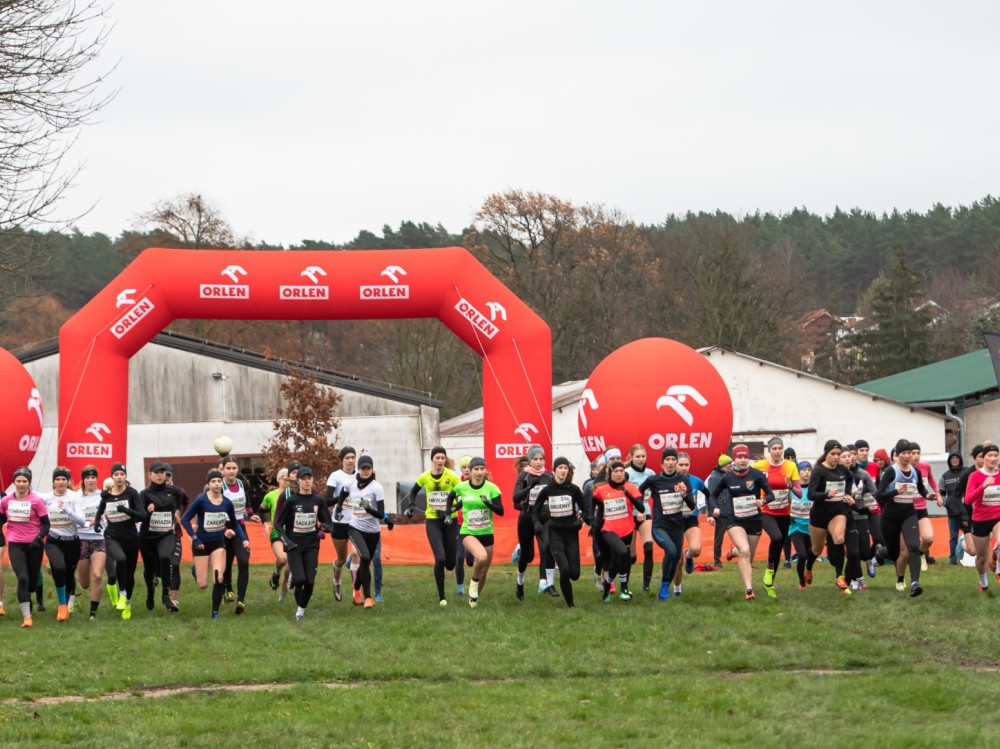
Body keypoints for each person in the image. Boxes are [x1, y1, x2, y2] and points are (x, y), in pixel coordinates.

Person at [180, 469, 249, 619]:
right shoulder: (201, 500)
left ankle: (215, 612)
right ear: (209, 484)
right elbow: (185, 520)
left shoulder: (227, 503)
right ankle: (196, 571)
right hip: (201, 544)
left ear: (222, 484)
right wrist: (195, 538)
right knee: (202, 584)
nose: (216, 484)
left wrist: (243, 538)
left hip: (218, 543)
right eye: (213, 481)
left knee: (218, 577)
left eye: (219, 481)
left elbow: (235, 523)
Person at [709, 445, 774, 600]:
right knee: (745, 551)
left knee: (747, 555)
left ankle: (734, 552)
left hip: (754, 520)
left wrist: (763, 501)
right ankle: (749, 590)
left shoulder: (757, 475)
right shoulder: (728, 477)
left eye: (745, 457)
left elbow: (771, 495)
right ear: (734, 460)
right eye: (739, 457)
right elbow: (713, 495)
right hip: (735, 520)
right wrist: (714, 509)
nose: (743, 460)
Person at [875, 439, 935, 597]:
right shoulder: (891, 472)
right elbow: (878, 495)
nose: (908, 456)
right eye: (904, 453)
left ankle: (915, 583)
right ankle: (883, 556)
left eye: (910, 453)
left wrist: (929, 496)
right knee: (895, 553)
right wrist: (896, 492)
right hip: (890, 517)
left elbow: (921, 490)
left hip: (909, 514)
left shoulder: (916, 472)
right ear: (897, 455)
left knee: (913, 547)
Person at [404, 446, 463, 606]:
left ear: (445, 460)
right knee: (440, 558)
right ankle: (442, 597)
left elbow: (461, 497)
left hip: (449, 522)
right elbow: (413, 492)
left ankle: (449, 568)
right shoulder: (425, 476)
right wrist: (411, 506)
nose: (440, 461)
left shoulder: (452, 476)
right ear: (432, 459)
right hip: (433, 522)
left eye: (443, 458)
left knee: (450, 564)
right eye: (437, 458)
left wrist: (452, 509)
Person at [275, 466, 333, 620]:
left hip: (312, 544)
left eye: (309, 478)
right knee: (300, 579)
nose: (307, 481)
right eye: (304, 479)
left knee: (310, 581)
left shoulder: (318, 500)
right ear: (299, 481)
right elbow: (278, 524)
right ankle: (293, 579)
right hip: (294, 545)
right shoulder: (291, 501)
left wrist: (324, 528)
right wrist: (286, 541)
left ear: (312, 480)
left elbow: (328, 522)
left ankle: (300, 610)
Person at [445, 457, 504, 608]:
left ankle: (473, 598)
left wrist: (488, 503)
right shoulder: (462, 487)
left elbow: (501, 511)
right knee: (481, 557)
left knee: (484, 571)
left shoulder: (492, 488)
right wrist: (448, 513)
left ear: (485, 470)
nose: (479, 472)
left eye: (481, 469)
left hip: (486, 533)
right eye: (475, 469)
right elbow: (450, 497)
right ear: (470, 472)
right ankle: (474, 581)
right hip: (468, 531)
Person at [639, 448, 694, 601]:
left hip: (677, 526)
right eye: (667, 460)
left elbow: (691, 505)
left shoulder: (683, 480)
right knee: (670, 551)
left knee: (676, 557)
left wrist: (684, 496)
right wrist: (640, 509)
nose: (670, 463)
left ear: (676, 462)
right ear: (662, 463)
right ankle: (664, 585)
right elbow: (638, 492)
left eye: (673, 460)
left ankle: (665, 588)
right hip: (659, 526)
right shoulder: (654, 480)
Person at [93, 462, 146, 620]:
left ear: (125, 477)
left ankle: (127, 604)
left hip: (130, 537)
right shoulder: (107, 494)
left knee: (129, 574)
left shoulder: (132, 493)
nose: (119, 477)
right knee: (120, 559)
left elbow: (142, 516)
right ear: (112, 477)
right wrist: (97, 523)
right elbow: (101, 509)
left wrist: (128, 511)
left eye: (122, 474)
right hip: (112, 536)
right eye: (116, 474)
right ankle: (122, 594)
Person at [533, 457, 588, 607]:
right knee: (564, 569)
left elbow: (585, 509)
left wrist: (581, 520)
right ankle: (570, 605)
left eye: (565, 468)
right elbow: (535, 510)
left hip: (571, 532)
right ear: (554, 470)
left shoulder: (574, 489)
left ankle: (568, 583)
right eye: (560, 467)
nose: (563, 470)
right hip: (554, 532)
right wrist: (537, 523)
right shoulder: (548, 490)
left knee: (574, 574)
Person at [752, 437, 802, 599]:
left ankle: (769, 581)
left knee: (779, 544)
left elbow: (800, 493)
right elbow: (746, 477)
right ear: (769, 450)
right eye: (774, 448)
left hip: (784, 512)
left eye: (780, 448)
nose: (777, 451)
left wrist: (791, 487)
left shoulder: (790, 466)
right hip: (766, 510)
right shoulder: (759, 466)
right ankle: (769, 571)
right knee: (777, 537)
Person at [0, 468, 50, 627]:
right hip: (15, 544)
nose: (21, 484)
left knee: (32, 583)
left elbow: (46, 525)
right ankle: (27, 617)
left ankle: (30, 597)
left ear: (29, 483)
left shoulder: (36, 501)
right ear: (14, 482)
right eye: (19, 481)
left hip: (34, 545)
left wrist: (39, 538)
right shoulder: (6, 501)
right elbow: (1, 519)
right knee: (22, 578)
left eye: (24, 481)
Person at [591, 459, 645, 602]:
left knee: (618, 561)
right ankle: (624, 588)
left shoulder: (631, 487)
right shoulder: (602, 490)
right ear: (610, 473)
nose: (619, 474)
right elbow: (593, 501)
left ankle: (607, 584)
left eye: (622, 471)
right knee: (621, 552)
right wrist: (592, 520)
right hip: (608, 530)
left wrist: (627, 493)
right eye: (616, 471)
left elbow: (641, 508)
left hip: (627, 530)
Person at [806, 440, 855, 594]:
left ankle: (840, 577)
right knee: (817, 549)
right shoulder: (819, 471)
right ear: (826, 454)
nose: (836, 457)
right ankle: (808, 567)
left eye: (838, 454)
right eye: (833, 454)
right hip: (820, 515)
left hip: (837, 511)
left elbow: (849, 479)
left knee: (839, 538)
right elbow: (811, 494)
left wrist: (847, 494)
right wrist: (827, 494)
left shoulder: (843, 470)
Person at [343, 455, 390, 608]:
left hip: (373, 531)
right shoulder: (351, 484)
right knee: (365, 556)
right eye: (362, 468)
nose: (365, 471)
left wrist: (370, 509)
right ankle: (368, 597)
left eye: (368, 468)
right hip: (355, 527)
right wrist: (337, 509)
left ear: (372, 470)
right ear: (359, 469)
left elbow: (381, 513)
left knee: (365, 562)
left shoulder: (377, 487)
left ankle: (356, 588)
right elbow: (342, 496)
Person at [41, 466, 86, 621]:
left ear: (68, 481)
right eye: (57, 479)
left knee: (68, 575)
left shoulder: (74, 497)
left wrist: (68, 510)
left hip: (72, 542)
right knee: (59, 568)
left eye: (63, 479)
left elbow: (82, 522)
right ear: (53, 482)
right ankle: (62, 605)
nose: (60, 482)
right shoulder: (46, 498)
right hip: (53, 541)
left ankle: (65, 605)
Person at [512, 445, 557, 598]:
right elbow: (515, 498)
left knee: (548, 548)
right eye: (535, 459)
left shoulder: (549, 476)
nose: (539, 462)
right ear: (530, 460)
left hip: (544, 518)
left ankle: (547, 584)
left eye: (541, 459)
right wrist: (529, 487)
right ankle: (520, 582)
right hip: (527, 519)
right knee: (527, 556)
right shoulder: (524, 476)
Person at [138, 461, 182, 613]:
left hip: (166, 533)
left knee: (165, 557)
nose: (160, 475)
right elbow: (139, 516)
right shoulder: (144, 494)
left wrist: (176, 513)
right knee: (149, 569)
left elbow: (178, 505)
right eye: (156, 472)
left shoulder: (174, 491)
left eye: (162, 472)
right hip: (147, 536)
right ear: (150, 474)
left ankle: (165, 596)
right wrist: (147, 511)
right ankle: (150, 593)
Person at [221, 457, 260, 614]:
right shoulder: (220, 486)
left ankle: (241, 600)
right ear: (223, 469)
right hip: (223, 528)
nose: (231, 471)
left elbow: (247, 502)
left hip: (240, 527)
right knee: (227, 562)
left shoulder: (241, 483)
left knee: (244, 561)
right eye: (228, 468)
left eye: (234, 468)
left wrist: (251, 514)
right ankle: (228, 588)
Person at [963, 443, 1000, 591]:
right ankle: (983, 583)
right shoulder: (975, 476)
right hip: (980, 519)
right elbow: (968, 500)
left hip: (998, 516)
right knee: (981, 557)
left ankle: (998, 571)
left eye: (996, 455)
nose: (993, 458)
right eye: (990, 456)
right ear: (983, 458)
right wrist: (983, 486)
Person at [326, 446, 359, 602]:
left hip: (356, 521)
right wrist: (341, 497)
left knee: (355, 554)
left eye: (353, 457)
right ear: (342, 460)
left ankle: (356, 591)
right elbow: (327, 501)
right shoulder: (336, 476)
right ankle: (337, 580)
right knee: (341, 558)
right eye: (347, 457)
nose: (351, 460)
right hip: (339, 521)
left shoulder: (361, 475)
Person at [671, 452, 708, 596]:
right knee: (677, 560)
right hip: (673, 521)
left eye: (686, 465)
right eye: (681, 465)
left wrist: (713, 509)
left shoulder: (696, 481)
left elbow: (709, 494)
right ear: (675, 465)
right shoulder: (668, 481)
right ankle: (677, 589)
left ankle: (689, 555)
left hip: (690, 520)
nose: (684, 468)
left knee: (696, 549)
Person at [75, 465, 108, 620]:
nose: (90, 480)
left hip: (98, 539)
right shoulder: (76, 497)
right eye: (87, 478)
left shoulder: (103, 495)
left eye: (93, 477)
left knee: (98, 576)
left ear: (96, 479)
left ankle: (92, 614)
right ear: (83, 480)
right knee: (84, 584)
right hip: (81, 540)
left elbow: (107, 516)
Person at [625, 444, 656, 592]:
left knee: (649, 547)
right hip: (629, 515)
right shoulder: (625, 474)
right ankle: (625, 586)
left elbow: (657, 493)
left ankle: (646, 587)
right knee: (629, 556)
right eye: (637, 456)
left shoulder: (651, 473)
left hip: (646, 514)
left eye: (643, 456)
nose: (641, 459)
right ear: (631, 457)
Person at [259, 467, 292, 601]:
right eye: (285, 477)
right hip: (277, 532)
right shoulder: (270, 496)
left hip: (292, 533)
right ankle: (276, 572)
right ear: (279, 479)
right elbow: (261, 510)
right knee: (283, 559)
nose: (287, 479)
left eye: (289, 476)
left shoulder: (295, 494)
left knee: (290, 568)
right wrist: (266, 523)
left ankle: (282, 597)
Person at [911, 444, 942, 569]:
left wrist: (938, 494)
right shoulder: (900, 470)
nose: (916, 456)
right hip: (907, 509)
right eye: (913, 453)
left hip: (921, 507)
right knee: (911, 541)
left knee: (928, 538)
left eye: (918, 453)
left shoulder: (925, 466)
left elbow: (931, 479)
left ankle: (921, 553)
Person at [789, 461, 814, 589]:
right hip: (796, 527)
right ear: (798, 473)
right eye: (804, 470)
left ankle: (808, 570)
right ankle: (801, 582)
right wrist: (789, 515)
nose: (806, 472)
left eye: (809, 470)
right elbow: (785, 504)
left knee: (812, 552)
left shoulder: (814, 488)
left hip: (810, 528)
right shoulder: (793, 489)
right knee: (802, 555)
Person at [707, 455, 734, 568]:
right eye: (728, 464)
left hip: (732, 510)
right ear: (723, 465)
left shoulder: (731, 475)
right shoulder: (714, 478)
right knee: (719, 538)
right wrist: (711, 513)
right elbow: (710, 495)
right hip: (721, 512)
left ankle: (738, 555)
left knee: (740, 535)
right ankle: (717, 561)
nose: (731, 465)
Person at [940, 452, 967, 565]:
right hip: (952, 511)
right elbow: (941, 494)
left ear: (960, 459)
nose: (955, 460)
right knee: (953, 536)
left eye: (957, 458)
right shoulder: (944, 476)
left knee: (969, 534)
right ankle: (953, 560)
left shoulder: (967, 472)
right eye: (952, 458)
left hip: (966, 510)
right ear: (949, 461)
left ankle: (968, 558)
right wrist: (947, 503)